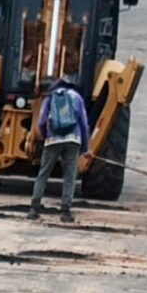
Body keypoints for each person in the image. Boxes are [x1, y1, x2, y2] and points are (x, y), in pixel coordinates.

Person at [32, 76, 90, 220]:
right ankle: (65, 211)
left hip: (52, 140)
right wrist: (85, 146)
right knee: (69, 176)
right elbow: (83, 123)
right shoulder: (77, 97)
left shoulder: (50, 98)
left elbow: (42, 121)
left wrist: (47, 136)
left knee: (43, 174)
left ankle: (34, 209)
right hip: (73, 140)